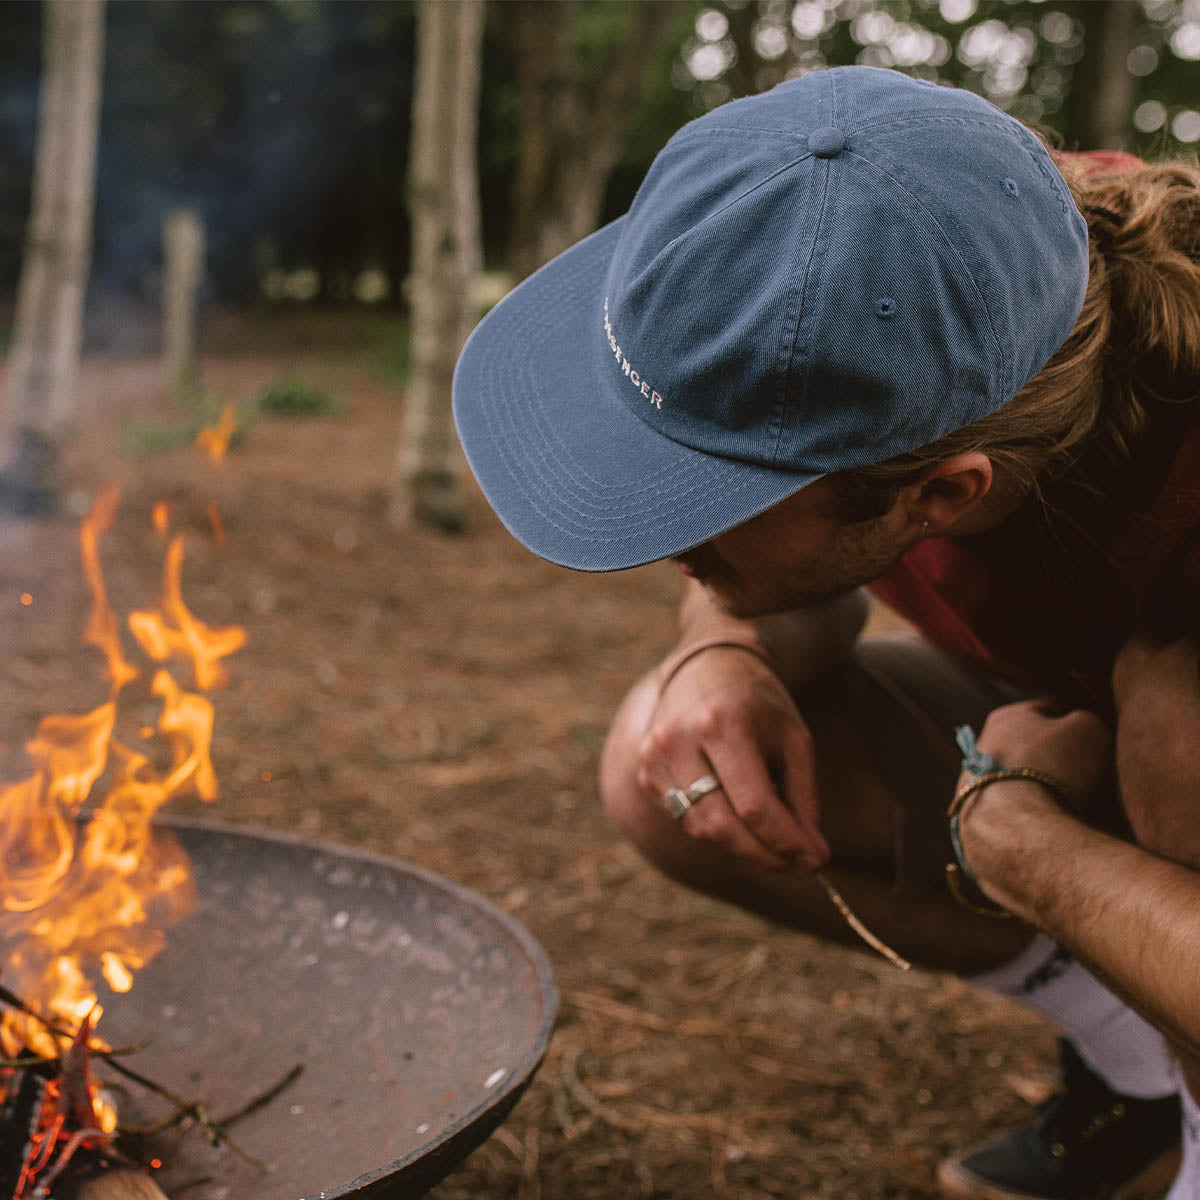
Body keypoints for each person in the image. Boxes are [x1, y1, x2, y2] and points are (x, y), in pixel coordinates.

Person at [452, 65, 1200, 1199]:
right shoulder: (958, 263)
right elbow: (796, 576)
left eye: (708, 507)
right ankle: (1145, 1073)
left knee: (1175, 733)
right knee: (676, 753)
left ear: (944, 495)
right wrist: (722, 648)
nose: (670, 544)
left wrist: (1030, 850)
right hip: (1063, 714)